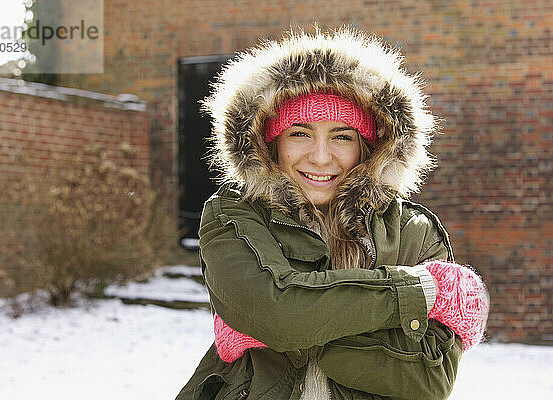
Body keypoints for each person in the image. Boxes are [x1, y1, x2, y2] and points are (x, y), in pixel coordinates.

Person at [176, 27, 489, 400]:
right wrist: (416, 292)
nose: (321, 157)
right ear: (270, 142)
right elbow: (280, 318)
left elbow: (428, 381)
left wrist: (278, 325)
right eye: (299, 134)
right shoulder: (235, 214)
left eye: (342, 136)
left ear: (369, 148)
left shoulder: (414, 232)